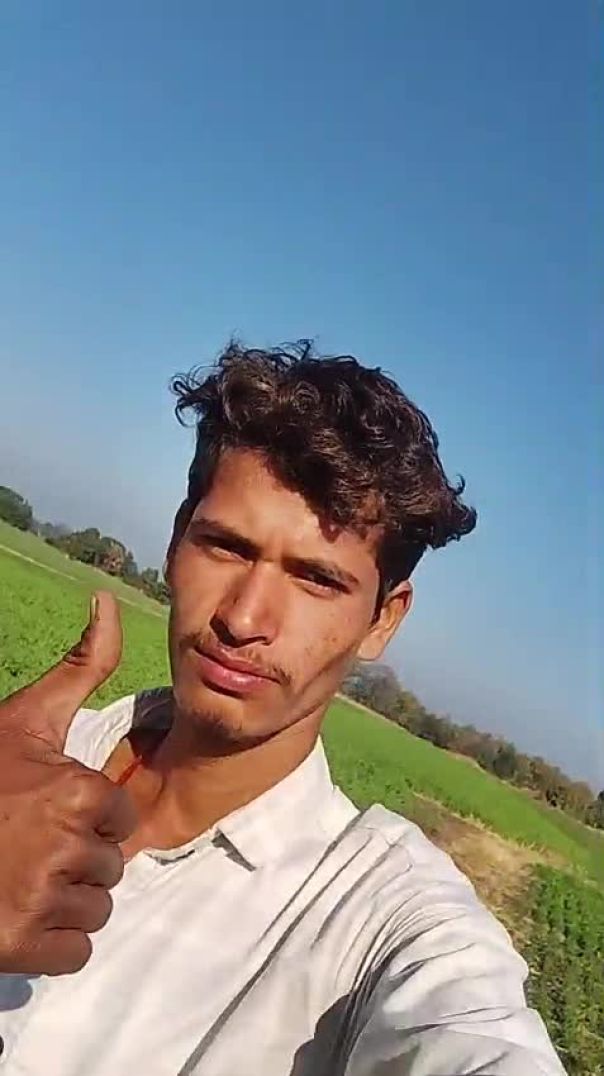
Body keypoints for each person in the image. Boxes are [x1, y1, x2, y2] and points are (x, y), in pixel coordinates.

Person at [0, 341, 564, 1075]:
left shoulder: (383, 923)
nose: (242, 619)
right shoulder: (29, 759)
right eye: (226, 547)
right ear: (176, 540)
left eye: (317, 580)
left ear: (383, 621)